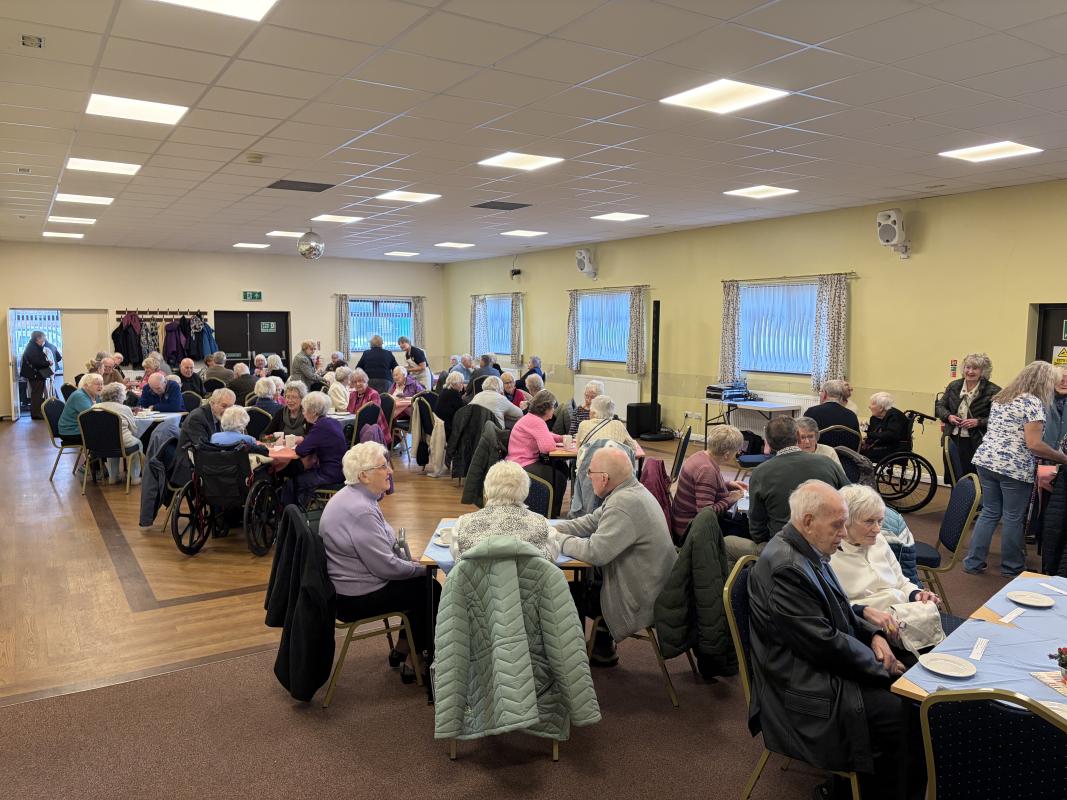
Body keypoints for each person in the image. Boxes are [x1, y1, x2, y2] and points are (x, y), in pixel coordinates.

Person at [747, 480, 914, 800]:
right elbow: (824, 644)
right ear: (808, 521)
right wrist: (882, 669)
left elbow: (843, 612)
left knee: (911, 680)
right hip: (801, 686)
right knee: (902, 711)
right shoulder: (787, 567)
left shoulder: (808, 549)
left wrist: (875, 636)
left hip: (815, 665)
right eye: (838, 525)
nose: (843, 532)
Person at [318, 442, 440, 680]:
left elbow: (383, 552)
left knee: (419, 586)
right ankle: (417, 661)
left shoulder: (354, 497)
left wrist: (414, 565)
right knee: (429, 589)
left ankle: (403, 650)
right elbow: (386, 567)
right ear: (363, 476)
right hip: (355, 598)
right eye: (383, 466)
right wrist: (423, 568)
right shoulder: (361, 510)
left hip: (348, 586)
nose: (390, 471)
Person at [551, 448, 677, 666]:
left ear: (604, 478)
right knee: (585, 581)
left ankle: (572, 660)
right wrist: (550, 527)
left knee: (568, 591)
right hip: (652, 585)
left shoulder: (623, 504)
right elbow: (590, 522)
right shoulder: (630, 491)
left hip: (642, 599)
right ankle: (601, 645)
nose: (588, 478)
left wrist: (557, 539)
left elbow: (594, 552)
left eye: (590, 473)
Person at [965, 361, 1067, 577]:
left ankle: (973, 562)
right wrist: (1063, 458)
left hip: (986, 460)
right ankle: (1012, 567)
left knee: (990, 512)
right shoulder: (1033, 403)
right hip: (1013, 467)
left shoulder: (1003, 397)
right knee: (1013, 517)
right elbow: (1034, 444)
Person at [727, 416, 849, 565]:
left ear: (768, 442)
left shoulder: (761, 473)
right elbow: (851, 497)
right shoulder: (828, 463)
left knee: (727, 543)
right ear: (797, 436)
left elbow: (756, 527)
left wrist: (765, 542)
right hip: (827, 545)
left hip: (783, 550)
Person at [831, 485, 942, 629]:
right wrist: (862, 612)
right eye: (869, 521)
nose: (877, 529)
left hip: (902, 618)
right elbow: (832, 608)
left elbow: (901, 582)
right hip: (863, 625)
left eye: (880, 521)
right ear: (846, 521)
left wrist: (917, 594)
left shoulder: (879, 541)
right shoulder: (830, 556)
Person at [452, 461, 558, 561]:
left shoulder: (462, 525)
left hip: (476, 575)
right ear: (526, 491)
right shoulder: (543, 525)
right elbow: (550, 559)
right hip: (530, 575)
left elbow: (458, 560)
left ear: (486, 492)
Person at [672, 424, 747, 540]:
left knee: (739, 521)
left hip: (683, 522)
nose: (736, 454)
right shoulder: (707, 470)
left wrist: (728, 485)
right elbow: (705, 514)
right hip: (690, 532)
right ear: (727, 454)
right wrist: (731, 499)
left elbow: (702, 488)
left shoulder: (700, 456)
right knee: (745, 529)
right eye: (737, 451)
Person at [935, 353, 999, 476]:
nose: (970, 371)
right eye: (967, 367)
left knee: (973, 477)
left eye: (975, 368)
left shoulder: (993, 391)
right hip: (952, 438)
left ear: (983, 371)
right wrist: (948, 416)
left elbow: (999, 419)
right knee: (954, 474)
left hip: (977, 442)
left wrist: (978, 422)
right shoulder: (954, 386)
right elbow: (940, 406)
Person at [507, 390, 566, 517]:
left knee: (561, 469)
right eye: (553, 407)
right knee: (559, 478)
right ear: (546, 408)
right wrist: (556, 440)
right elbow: (547, 448)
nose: (554, 410)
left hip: (519, 460)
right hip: (523, 462)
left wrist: (560, 438)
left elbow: (545, 434)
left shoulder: (531, 418)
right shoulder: (537, 421)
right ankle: (551, 515)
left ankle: (551, 511)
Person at [282, 391, 347, 506]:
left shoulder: (320, 427)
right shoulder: (333, 422)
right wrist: (305, 439)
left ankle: (292, 513)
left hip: (329, 474)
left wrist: (302, 442)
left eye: (304, 410)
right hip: (341, 470)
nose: (303, 413)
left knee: (293, 481)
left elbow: (300, 451)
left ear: (313, 412)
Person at [171, 389, 236, 485]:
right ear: (212, 403)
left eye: (231, 407)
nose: (228, 411)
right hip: (191, 464)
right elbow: (203, 447)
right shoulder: (197, 418)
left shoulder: (223, 416)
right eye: (224, 406)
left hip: (210, 458)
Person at [96, 382, 143, 485]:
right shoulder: (124, 408)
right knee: (137, 443)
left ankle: (113, 477)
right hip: (121, 441)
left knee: (110, 442)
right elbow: (134, 429)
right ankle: (135, 477)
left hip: (98, 444)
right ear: (121, 395)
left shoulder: (94, 407)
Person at [804, 379, 861, 449]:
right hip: (844, 454)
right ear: (841, 396)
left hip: (818, 454)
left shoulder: (811, 412)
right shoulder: (852, 415)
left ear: (825, 394)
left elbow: (802, 437)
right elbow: (857, 440)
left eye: (821, 392)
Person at [23, 331, 62, 418]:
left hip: (36, 374)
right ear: (38, 338)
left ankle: (37, 412)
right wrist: (48, 363)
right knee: (37, 394)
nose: (44, 340)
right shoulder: (33, 348)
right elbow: (36, 362)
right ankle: (36, 414)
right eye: (43, 338)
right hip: (35, 375)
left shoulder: (33, 347)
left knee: (38, 394)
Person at [862, 393, 909, 463]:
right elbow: (879, 433)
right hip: (888, 446)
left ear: (881, 408)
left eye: (872, 404)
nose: (869, 406)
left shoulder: (894, 416)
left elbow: (890, 435)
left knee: (860, 455)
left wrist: (870, 434)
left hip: (894, 449)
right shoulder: (879, 417)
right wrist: (867, 429)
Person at [59, 373, 102, 437]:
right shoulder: (79, 396)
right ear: (86, 386)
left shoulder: (96, 395)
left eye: (101, 384)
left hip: (82, 427)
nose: (101, 386)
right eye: (97, 384)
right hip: (71, 431)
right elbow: (92, 416)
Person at [435, 370, 467, 440]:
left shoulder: (445, 391)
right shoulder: (454, 394)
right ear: (455, 384)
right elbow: (463, 412)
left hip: (440, 425)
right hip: (448, 428)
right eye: (461, 383)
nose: (463, 385)